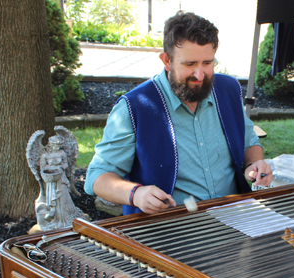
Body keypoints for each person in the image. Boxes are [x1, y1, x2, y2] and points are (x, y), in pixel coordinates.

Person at [84, 12, 272, 215]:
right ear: (166, 60)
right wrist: (135, 194)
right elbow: (97, 176)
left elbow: (249, 141)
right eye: (189, 64)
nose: (200, 75)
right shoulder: (134, 106)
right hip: (170, 230)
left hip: (235, 216)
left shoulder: (228, 89)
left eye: (207, 63)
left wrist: (254, 164)